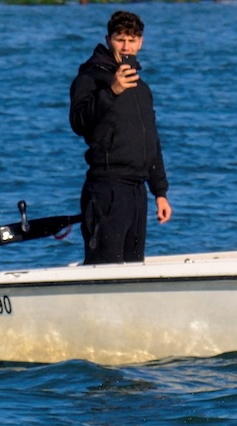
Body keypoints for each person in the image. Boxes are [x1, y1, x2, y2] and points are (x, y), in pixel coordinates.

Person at [69, 11, 171, 265]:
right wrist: (111, 91)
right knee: (104, 267)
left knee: (133, 268)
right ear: (108, 39)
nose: (126, 46)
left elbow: (151, 141)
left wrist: (159, 192)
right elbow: (78, 122)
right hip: (107, 188)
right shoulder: (89, 77)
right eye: (120, 39)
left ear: (141, 43)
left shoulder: (142, 88)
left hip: (137, 192)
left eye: (132, 39)